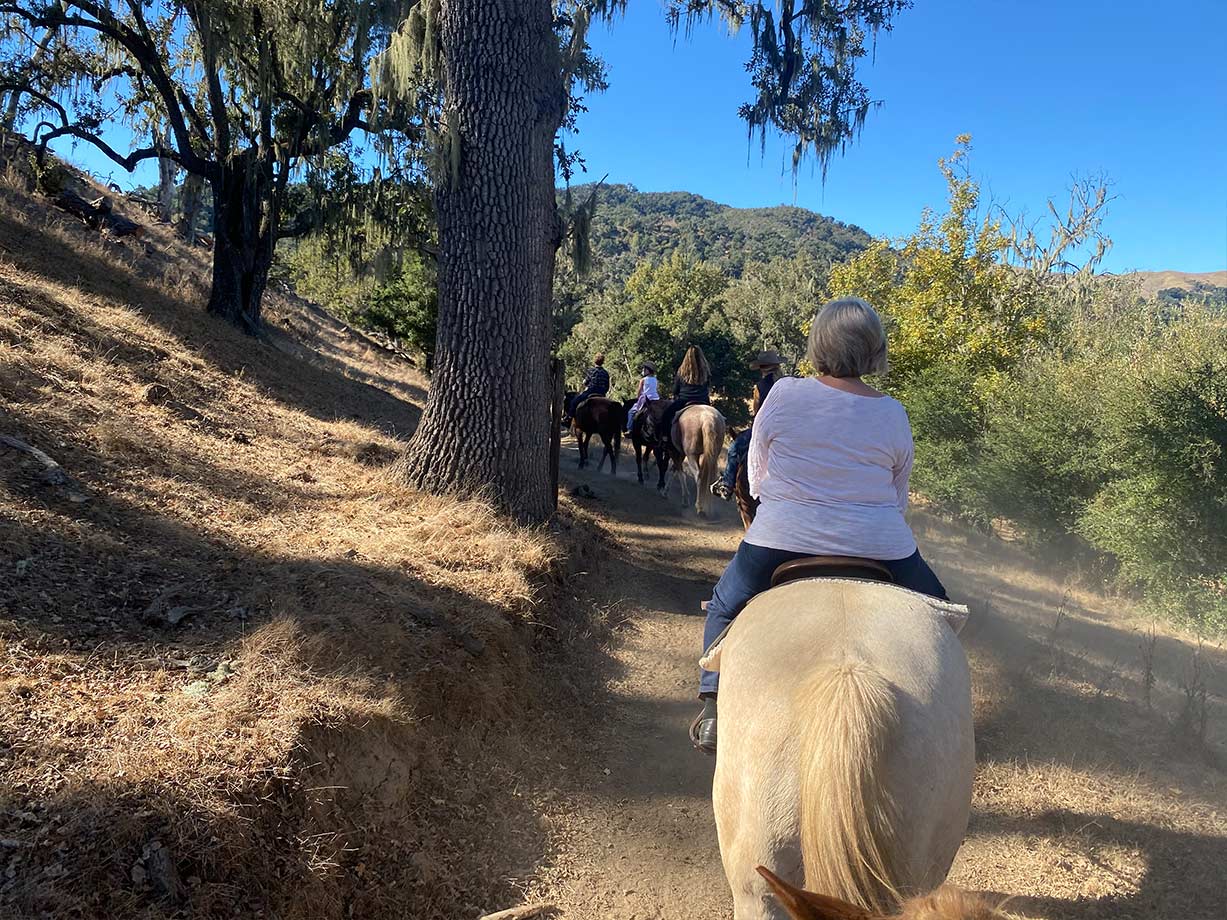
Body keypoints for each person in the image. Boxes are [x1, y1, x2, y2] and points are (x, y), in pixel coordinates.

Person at [690, 297, 950, 756]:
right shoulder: (893, 412)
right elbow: (898, 495)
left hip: (781, 541)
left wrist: (792, 503)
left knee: (725, 607)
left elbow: (757, 473)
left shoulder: (786, 393)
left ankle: (712, 706)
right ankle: (944, 718)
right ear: (874, 350)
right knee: (942, 615)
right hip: (881, 546)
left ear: (818, 346)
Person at [711, 350, 784, 501]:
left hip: (765, 429)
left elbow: (758, 414)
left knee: (734, 448)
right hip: (785, 428)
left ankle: (727, 484)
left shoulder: (760, 387)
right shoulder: (784, 384)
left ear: (761, 368)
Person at [656, 345, 711, 449]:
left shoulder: (682, 371)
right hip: (703, 401)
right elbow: (708, 387)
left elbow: (675, 389)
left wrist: (675, 394)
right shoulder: (706, 372)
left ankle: (665, 439)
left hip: (684, 400)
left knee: (666, 416)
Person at [566, 353, 610, 419]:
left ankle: (569, 417)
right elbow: (607, 387)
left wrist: (585, 383)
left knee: (574, 401)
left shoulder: (591, 371)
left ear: (594, 361)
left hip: (591, 391)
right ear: (603, 362)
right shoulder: (605, 373)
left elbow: (586, 382)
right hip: (601, 393)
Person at [625, 361, 660, 434]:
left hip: (646, 399)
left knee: (631, 412)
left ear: (648, 370)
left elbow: (639, 392)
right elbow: (656, 390)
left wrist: (638, 400)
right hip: (656, 399)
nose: (643, 371)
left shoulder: (643, 380)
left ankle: (630, 429)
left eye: (644, 369)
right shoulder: (656, 380)